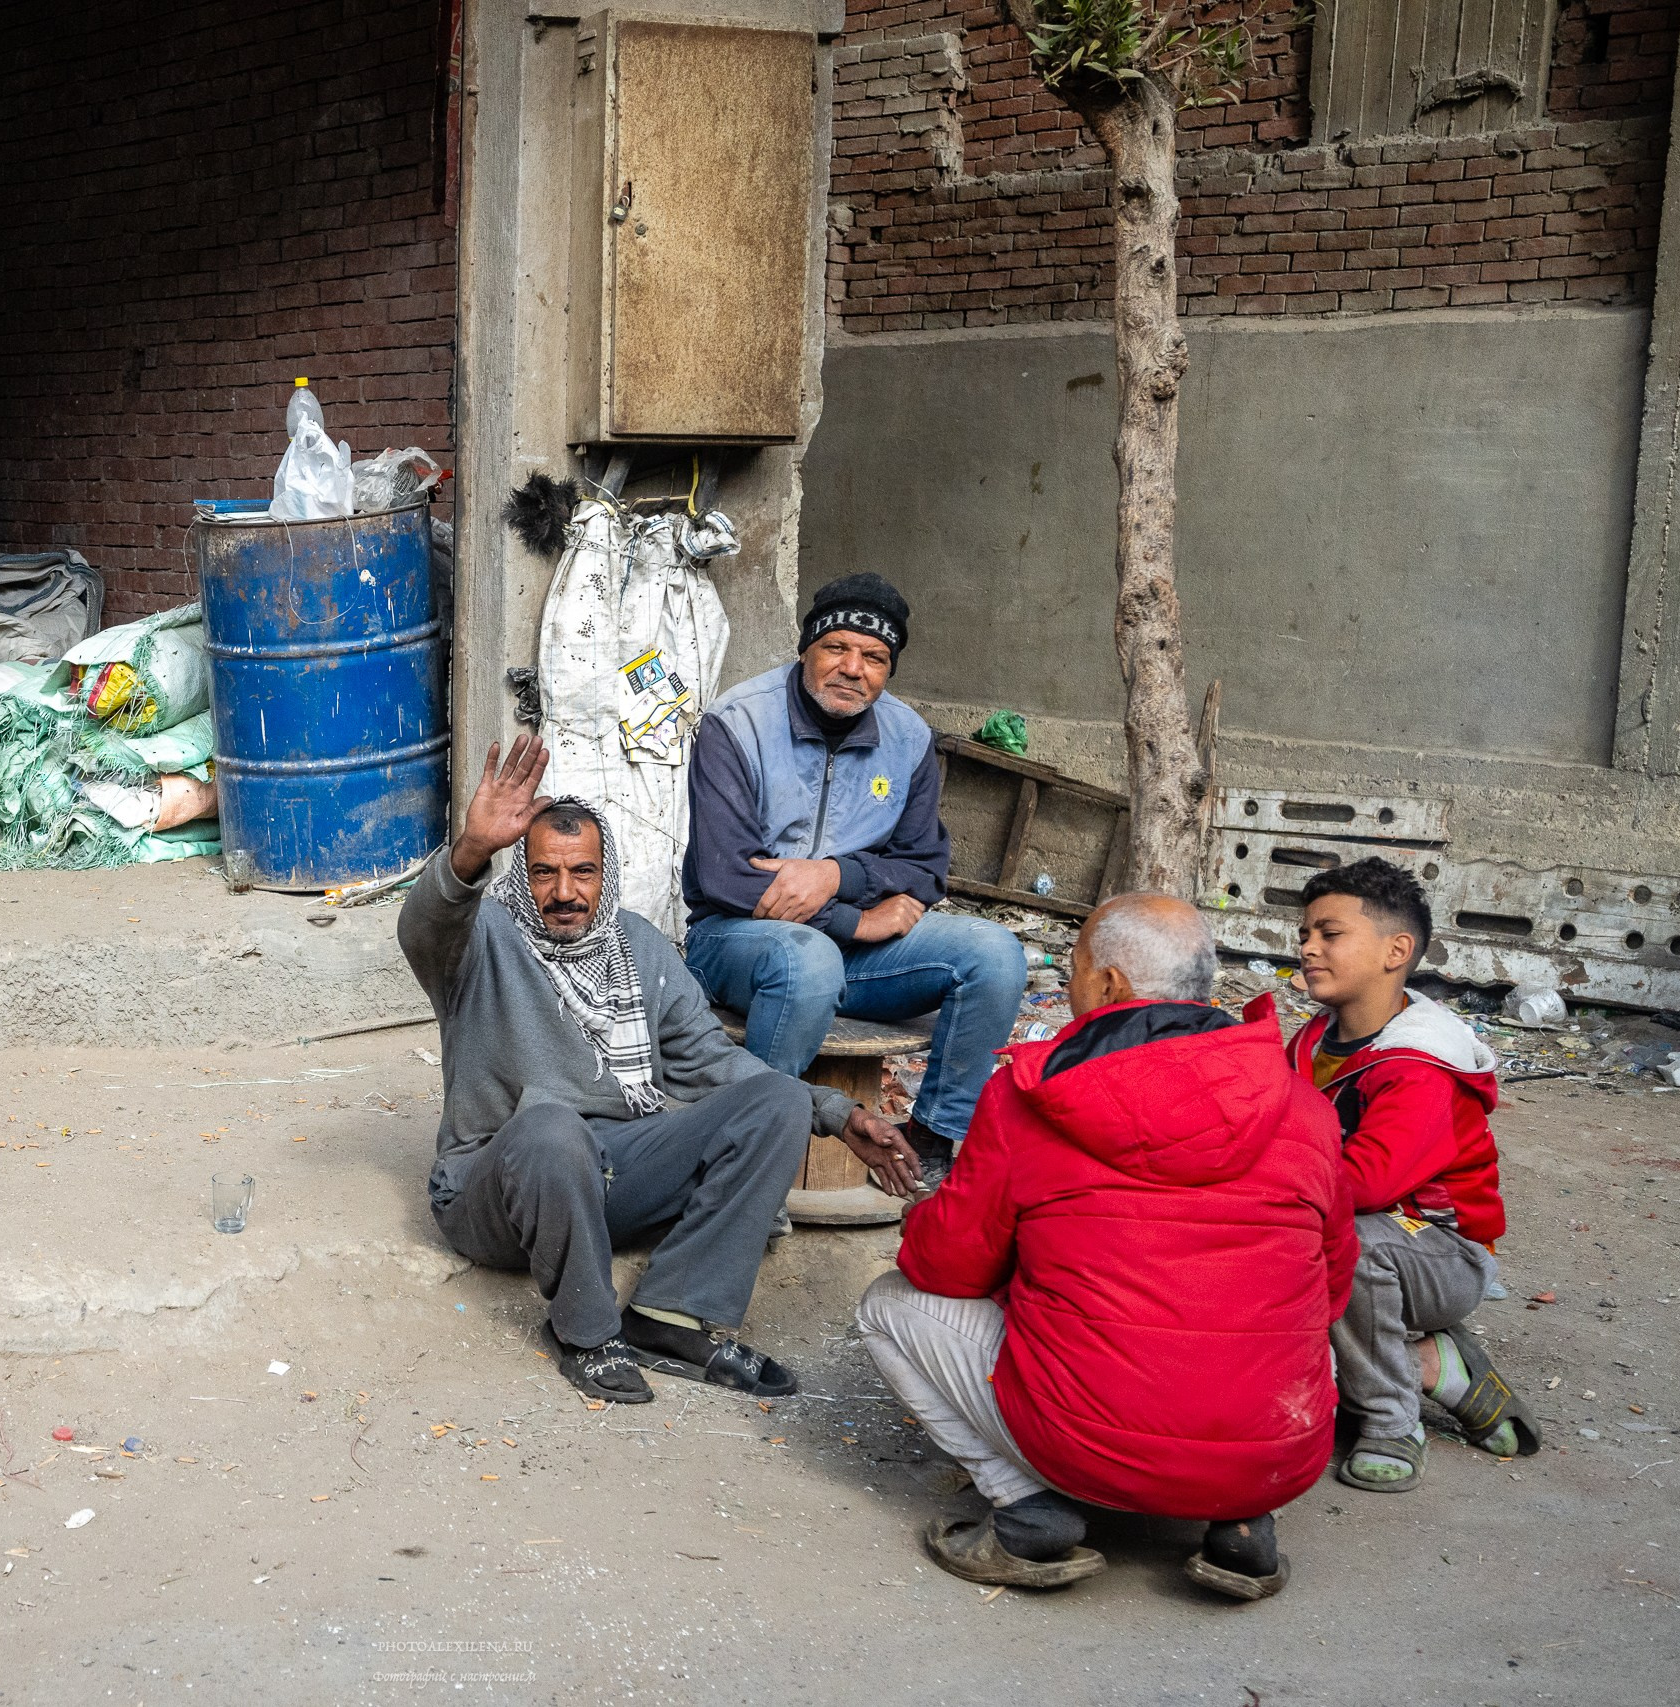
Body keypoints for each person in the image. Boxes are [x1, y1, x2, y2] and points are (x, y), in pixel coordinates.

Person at [855, 894, 1354, 1601]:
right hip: (1280, 1445)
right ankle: (1243, 1522)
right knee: (1285, 1311)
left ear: (1112, 985)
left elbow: (947, 1267)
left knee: (886, 1305)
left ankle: (1027, 1510)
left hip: (1085, 1446)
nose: (1067, 990)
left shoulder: (1031, 1098)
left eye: (1077, 972)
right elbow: (1332, 1284)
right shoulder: (1302, 1102)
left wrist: (927, 1218)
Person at [400, 733, 921, 1406]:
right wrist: (472, 849)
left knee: (777, 1102)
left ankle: (669, 1317)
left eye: (582, 871)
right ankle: (586, 1335)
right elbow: (423, 925)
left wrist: (836, 1110)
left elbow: (710, 1061)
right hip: (500, 1182)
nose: (565, 892)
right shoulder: (482, 940)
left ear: (604, 872)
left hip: (612, 1169)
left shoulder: (637, 944)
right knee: (552, 1128)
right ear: (520, 876)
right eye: (545, 872)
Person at [682, 573, 1026, 1191]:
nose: (852, 668)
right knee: (808, 960)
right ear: (806, 648)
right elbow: (726, 876)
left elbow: (925, 866)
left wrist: (839, 873)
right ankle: (744, 1159)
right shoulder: (736, 724)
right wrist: (855, 919)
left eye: (874, 658)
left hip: (860, 962)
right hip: (735, 943)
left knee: (995, 954)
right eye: (837, 648)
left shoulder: (909, 739)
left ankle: (932, 1139)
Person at [1264, 857, 1540, 1491]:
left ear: (1396, 950)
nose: (1308, 948)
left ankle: (1392, 1419)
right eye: (1305, 934)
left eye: (1330, 935)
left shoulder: (1421, 1061)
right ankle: (1429, 1362)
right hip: (1350, 1226)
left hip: (1441, 1251)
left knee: (1346, 1245)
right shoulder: (1312, 1041)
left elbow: (1367, 1184)